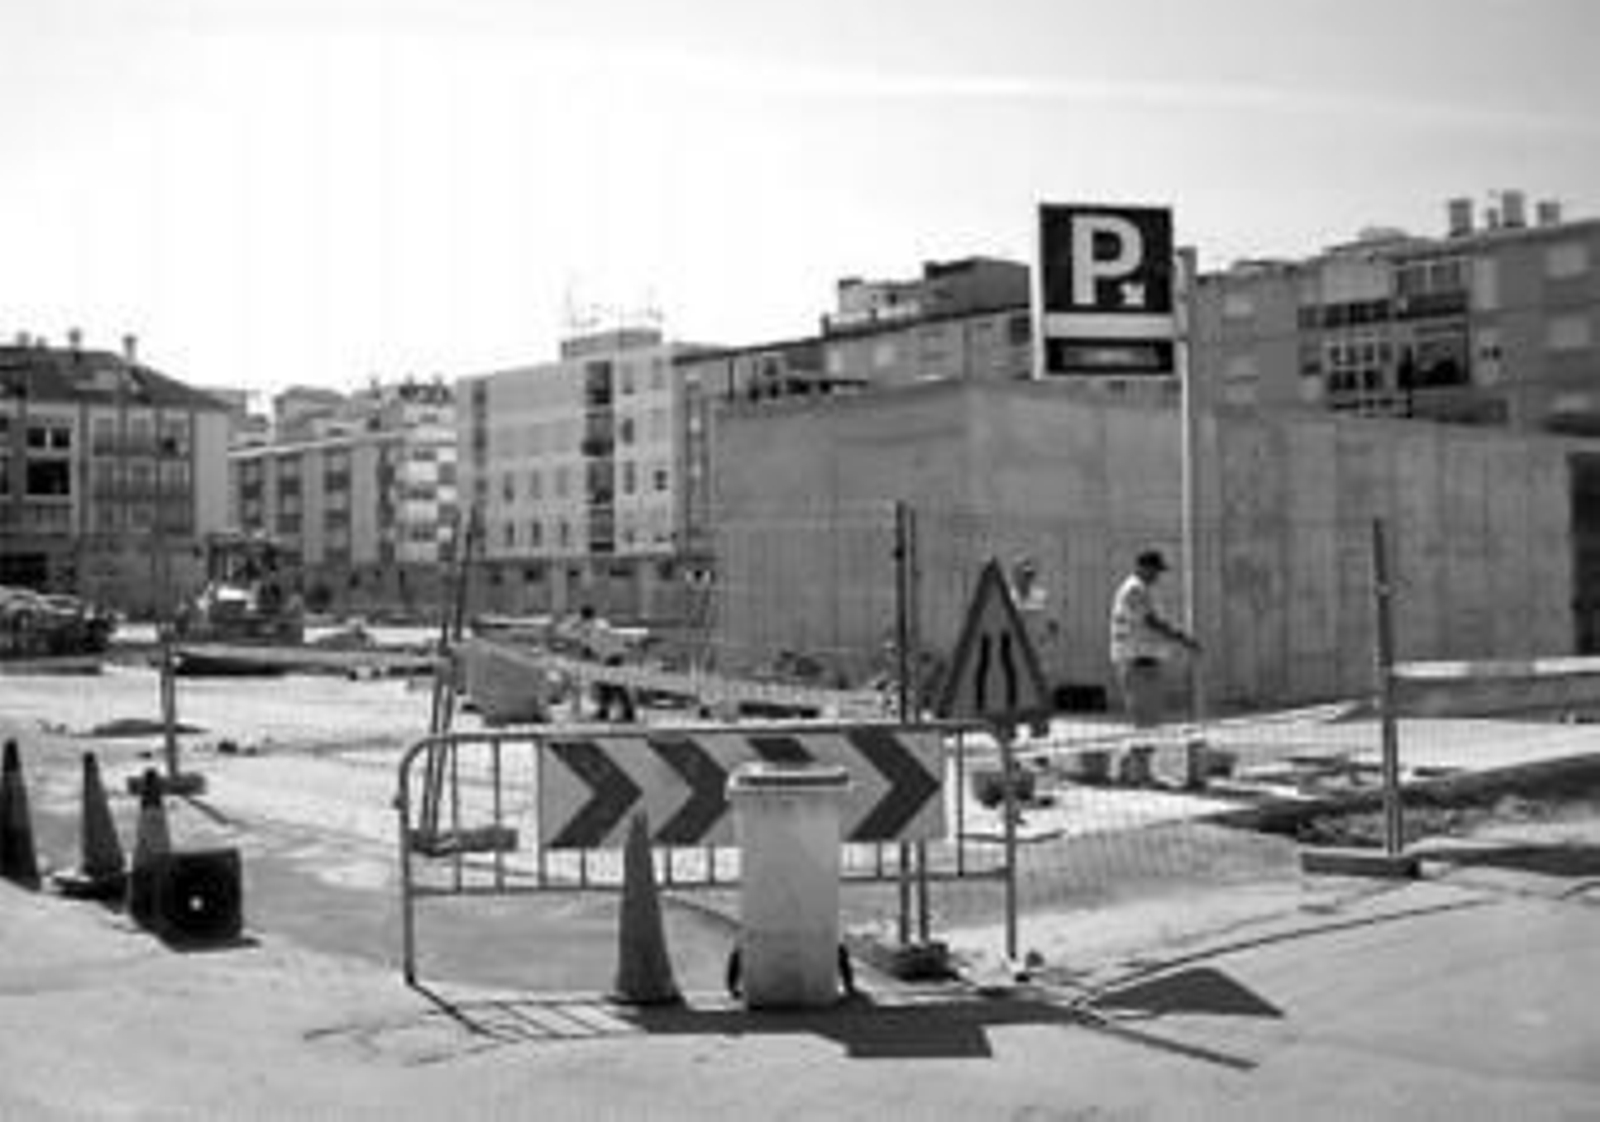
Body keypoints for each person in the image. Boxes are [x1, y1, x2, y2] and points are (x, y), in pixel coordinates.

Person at [1108, 550, 1199, 755]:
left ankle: (1137, 765)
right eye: (1154, 570)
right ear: (1142, 567)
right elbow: (1152, 622)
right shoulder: (1135, 589)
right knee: (1145, 722)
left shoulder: (1143, 589)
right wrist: (1182, 638)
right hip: (1137, 660)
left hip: (1144, 660)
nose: (1157, 575)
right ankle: (1136, 766)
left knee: (1149, 722)